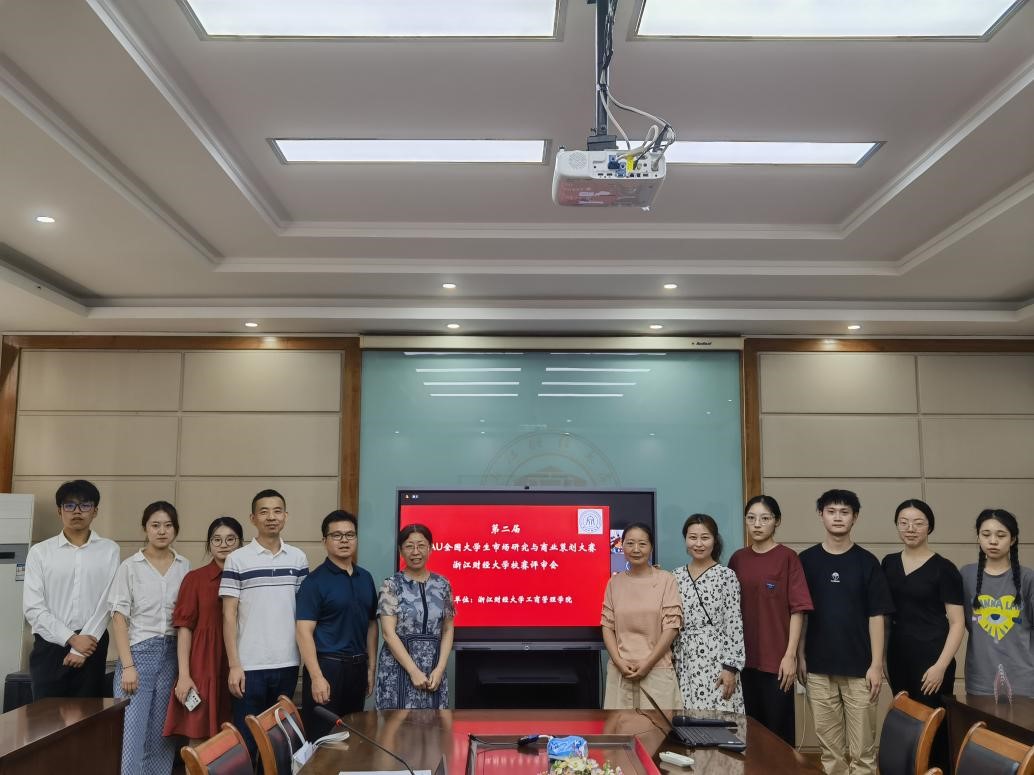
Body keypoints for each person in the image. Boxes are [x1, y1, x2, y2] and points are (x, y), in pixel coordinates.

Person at [798, 489, 894, 775]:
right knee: (831, 753)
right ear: (821, 515)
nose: (837, 517)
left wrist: (876, 664)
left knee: (863, 753)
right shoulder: (806, 561)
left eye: (844, 512)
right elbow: (800, 614)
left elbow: (877, 616)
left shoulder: (867, 562)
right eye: (831, 511)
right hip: (818, 669)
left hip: (860, 670)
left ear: (855, 517)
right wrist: (799, 655)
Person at [220, 489, 309, 757]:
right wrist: (234, 665)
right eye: (264, 511)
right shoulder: (237, 559)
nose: (271, 517)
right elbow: (228, 614)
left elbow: (303, 613)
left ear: (285, 516)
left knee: (281, 743)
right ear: (253, 518)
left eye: (277, 511)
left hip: (287, 663)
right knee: (246, 743)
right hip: (249, 666)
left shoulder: (298, 558)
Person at [881, 499, 964, 771]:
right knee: (905, 724)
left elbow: (957, 623)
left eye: (918, 523)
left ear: (930, 527)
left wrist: (941, 666)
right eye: (904, 522)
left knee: (934, 726)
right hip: (898, 657)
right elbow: (885, 619)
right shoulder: (888, 564)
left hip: (933, 659)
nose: (911, 528)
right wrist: (882, 659)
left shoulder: (944, 568)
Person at [110, 501, 190, 775]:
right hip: (138, 655)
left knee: (162, 734)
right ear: (145, 528)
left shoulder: (184, 566)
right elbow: (118, 618)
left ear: (176, 530)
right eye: (155, 525)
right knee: (132, 734)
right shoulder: (130, 566)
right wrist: (128, 666)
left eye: (168, 525)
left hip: (172, 655)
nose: (162, 531)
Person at [23, 479, 120, 700]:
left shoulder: (109, 550)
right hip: (50, 645)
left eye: (85, 505)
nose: (77, 511)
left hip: (92, 644)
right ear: (60, 511)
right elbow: (33, 608)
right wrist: (71, 639)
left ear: (95, 511)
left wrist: (81, 646)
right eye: (69, 505)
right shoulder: (40, 552)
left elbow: (108, 601)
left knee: (88, 714)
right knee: (45, 715)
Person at [728, 496, 813, 744]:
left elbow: (798, 610)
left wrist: (790, 655)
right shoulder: (738, 559)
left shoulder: (788, 557)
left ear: (777, 521)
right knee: (748, 736)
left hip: (777, 662)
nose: (757, 524)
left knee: (778, 737)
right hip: (743, 662)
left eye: (765, 518)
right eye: (751, 518)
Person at [163, 516, 244, 744]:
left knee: (235, 735)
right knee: (199, 733)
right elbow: (184, 629)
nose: (223, 545)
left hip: (240, 660)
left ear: (241, 543)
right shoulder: (195, 579)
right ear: (209, 544)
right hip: (204, 663)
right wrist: (184, 675)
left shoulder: (247, 578)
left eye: (230, 539)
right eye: (216, 540)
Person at [297, 510, 378, 737]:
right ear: (325, 541)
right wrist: (316, 677)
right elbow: (303, 631)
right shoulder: (314, 582)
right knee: (323, 739)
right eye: (337, 535)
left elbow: (372, 624)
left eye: (350, 535)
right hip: (327, 668)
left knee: (353, 736)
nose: (344, 540)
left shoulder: (366, 578)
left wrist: (371, 668)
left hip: (358, 668)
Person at [600, 522, 682, 709]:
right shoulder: (614, 582)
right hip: (621, 672)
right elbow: (607, 626)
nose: (636, 549)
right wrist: (619, 662)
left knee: (657, 727)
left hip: (657, 670)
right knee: (620, 725)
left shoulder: (666, 580)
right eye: (630, 543)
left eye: (642, 544)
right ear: (622, 546)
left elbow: (672, 627)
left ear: (651, 547)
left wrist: (648, 663)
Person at [375, 524, 455, 709]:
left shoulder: (443, 584)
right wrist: (413, 671)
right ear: (401, 551)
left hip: (433, 669)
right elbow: (388, 633)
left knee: (435, 724)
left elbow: (448, 628)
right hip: (398, 667)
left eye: (421, 545)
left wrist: (440, 669)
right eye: (409, 546)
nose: (416, 552)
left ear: (430, 548)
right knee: (397, 723)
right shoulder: (391, 585)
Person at [672, 513, 746, 712]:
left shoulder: (726, 576)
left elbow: (734, 624)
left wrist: (730, 668)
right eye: (692, 537)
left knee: (718, 719)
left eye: (705, 537)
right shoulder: (675, 576)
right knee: (685, 719)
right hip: (683, 660)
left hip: (716, 660)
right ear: (685, 539)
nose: (698, 543)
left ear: (714, 540)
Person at [961, 508, 1034, 699]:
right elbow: (960, 623)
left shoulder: (1028, 578)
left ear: (1013, 539)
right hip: (979, 678)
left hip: (1023, 678)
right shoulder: (966, 575)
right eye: (986, 535)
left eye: (1001, 535)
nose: (993, 541)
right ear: (978, 537)